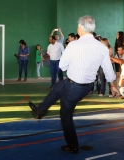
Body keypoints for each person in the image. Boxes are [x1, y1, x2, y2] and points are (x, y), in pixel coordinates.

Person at [28, 15, 119, 154]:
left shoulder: (73, 45)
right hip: (85, 86)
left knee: (65, 114)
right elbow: (108, 70)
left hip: (74, 87)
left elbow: (63, 66)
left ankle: (72, 145)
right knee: (57, 88)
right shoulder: (101, 48)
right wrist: (113, 86)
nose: (77, 27)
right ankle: (39, 111)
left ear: (81, 28)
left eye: (77, 25)